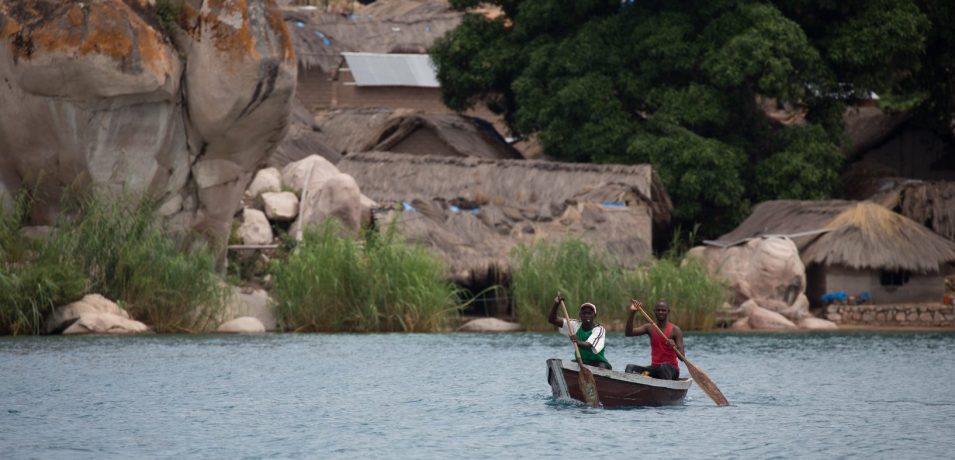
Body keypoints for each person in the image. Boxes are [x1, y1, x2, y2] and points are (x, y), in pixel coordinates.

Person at [547, 294, 611, 369]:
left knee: (601, 367)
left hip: (598, 363)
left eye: (589, 313)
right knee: (567, 365)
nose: (587, 315)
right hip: (582, 362)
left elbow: (589, 345)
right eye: (584, 313)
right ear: (580, 315)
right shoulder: (575, 324)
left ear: (594, 315)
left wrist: (577, 342)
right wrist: (556, 304)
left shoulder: (599, 329)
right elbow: (552, 319)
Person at [624, 300, 683, 380]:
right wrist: (633, 312)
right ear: (654, 312)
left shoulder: (675, 330)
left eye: (663, 310)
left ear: (668, 312)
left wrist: (674, 346)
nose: (660, 312)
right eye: (658, 310)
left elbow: (682, 358)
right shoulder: (649, 328)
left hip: (672, 371)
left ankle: (663, 390)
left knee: (664, 366)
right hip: (655, 370)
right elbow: (628, 333)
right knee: (630, 368)